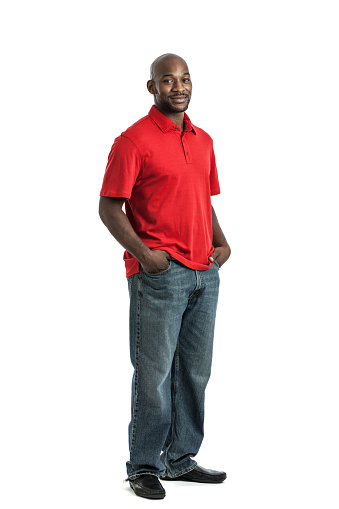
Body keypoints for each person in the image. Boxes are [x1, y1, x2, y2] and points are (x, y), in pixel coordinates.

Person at [99, 53, 231, 500]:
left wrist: (222, 242)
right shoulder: (133, 141)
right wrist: (143, 255)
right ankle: (144, 465)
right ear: (151, 87)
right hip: (160, 275)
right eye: (168, 80)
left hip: (203, 274)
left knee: (195, 373)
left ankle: (179, 459)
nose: (179, 86)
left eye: (185, 78)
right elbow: (108, 206)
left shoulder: (204, 139)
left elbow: (201, 198)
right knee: (154, 375)